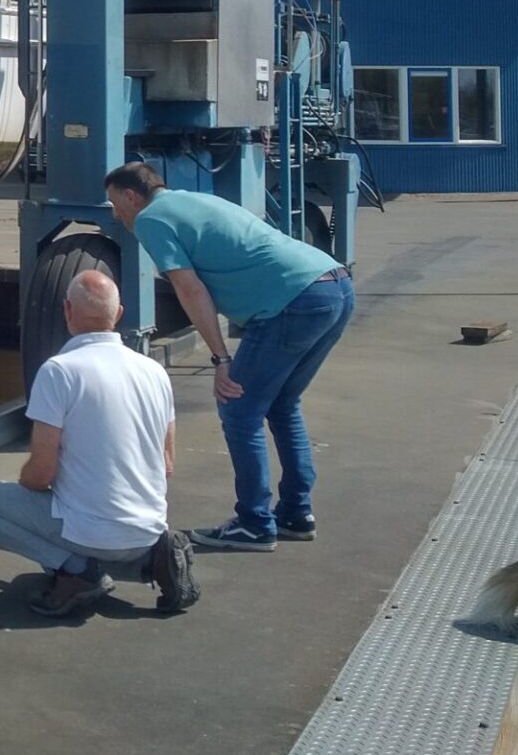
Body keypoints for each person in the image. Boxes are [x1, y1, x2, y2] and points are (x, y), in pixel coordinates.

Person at [104, 161, 356, 553]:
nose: (118, 217)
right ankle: (295, 512)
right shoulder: (192, 200)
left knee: (239, 410)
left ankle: (255, 523)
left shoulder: (151, 219)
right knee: (283, 403)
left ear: (133, 196)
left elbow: (190, 291)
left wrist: (221, 360)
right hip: (335, 285)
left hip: (293, 301)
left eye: (117, 206)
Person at [0, 271, 197, 618]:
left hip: (88, 533)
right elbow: (166, 463)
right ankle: (152, 560)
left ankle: (77, 571)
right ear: (120, 313)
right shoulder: (153, 371)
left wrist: (25, 487)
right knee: (103, 519)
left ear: (67, 310)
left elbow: (41, 473)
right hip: (148, 526)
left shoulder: (59, 371)